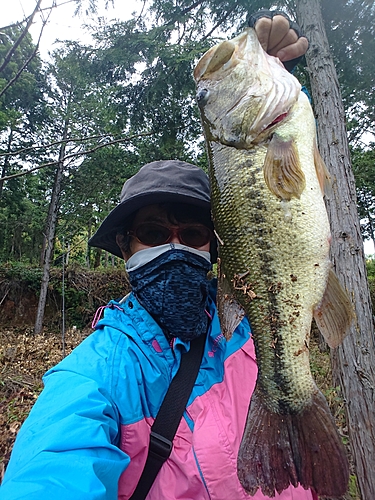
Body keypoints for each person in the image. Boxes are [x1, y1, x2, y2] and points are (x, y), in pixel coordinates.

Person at [0, 12, 315, 500]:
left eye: (192, 233)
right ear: (126, 246)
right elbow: (51, 470)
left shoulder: (254, 324)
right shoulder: (94, 376)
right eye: (152, 232)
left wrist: (284, 78)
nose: (174, 246)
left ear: (215, 246)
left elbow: (287, 195)